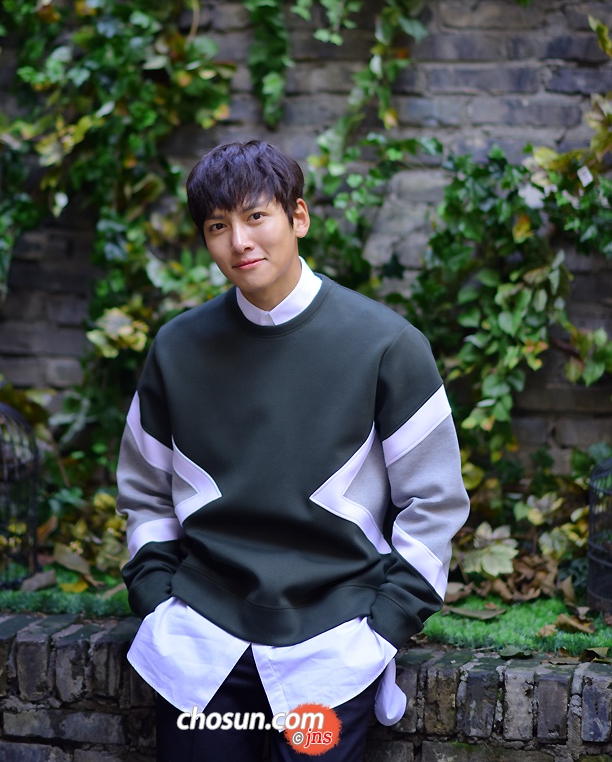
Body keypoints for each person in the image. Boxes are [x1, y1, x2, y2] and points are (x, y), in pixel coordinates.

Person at [116, 139, 469, 762]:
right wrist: (154, 598)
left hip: (333, 649)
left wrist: (388, 622)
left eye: (256, 216)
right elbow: (144, 490)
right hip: (201, 641)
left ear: (298, 217)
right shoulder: (177, 347)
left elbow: (434, 502)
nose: (239, 241)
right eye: (217, 227)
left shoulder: (387, 345)